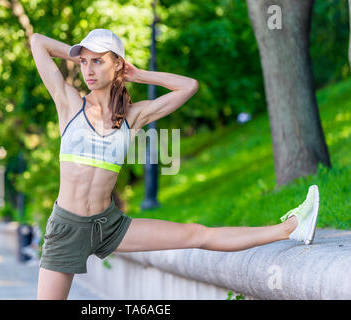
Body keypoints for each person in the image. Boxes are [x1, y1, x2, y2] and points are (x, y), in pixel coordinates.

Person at [31, 28, 320, 300]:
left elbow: (188, 86)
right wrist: (76, 54)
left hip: (109, 224)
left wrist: (139, 74)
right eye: (84, 62)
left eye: (97, 61)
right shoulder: (69, 103)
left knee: (197, 234)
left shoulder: (133, 116)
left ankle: (292, 228)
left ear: (117, 64)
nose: (89, 70)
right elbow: (38, 42)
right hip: (67, 227)